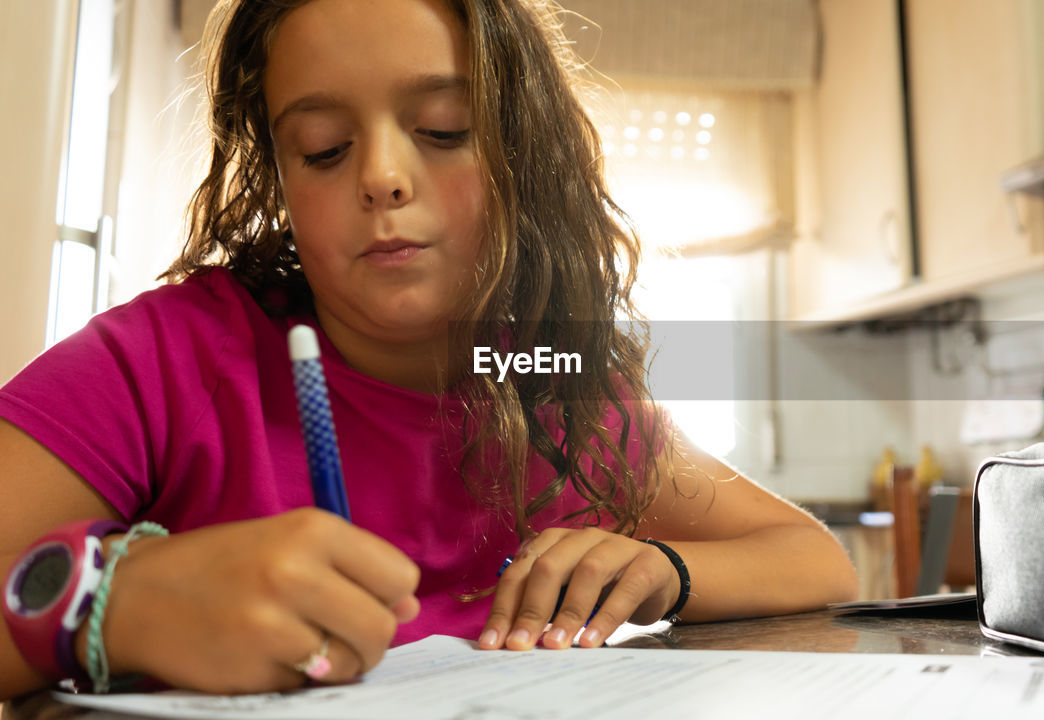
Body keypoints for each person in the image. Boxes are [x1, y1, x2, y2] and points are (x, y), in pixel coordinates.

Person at [0, 0, 857, 699]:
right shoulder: (164, 361)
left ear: (525, 158)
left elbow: (815, 560)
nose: (382, 176)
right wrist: (118, 605)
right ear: (277, 175)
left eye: (444, 130)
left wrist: (663, 570)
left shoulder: (549, 386)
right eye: (324, 149)